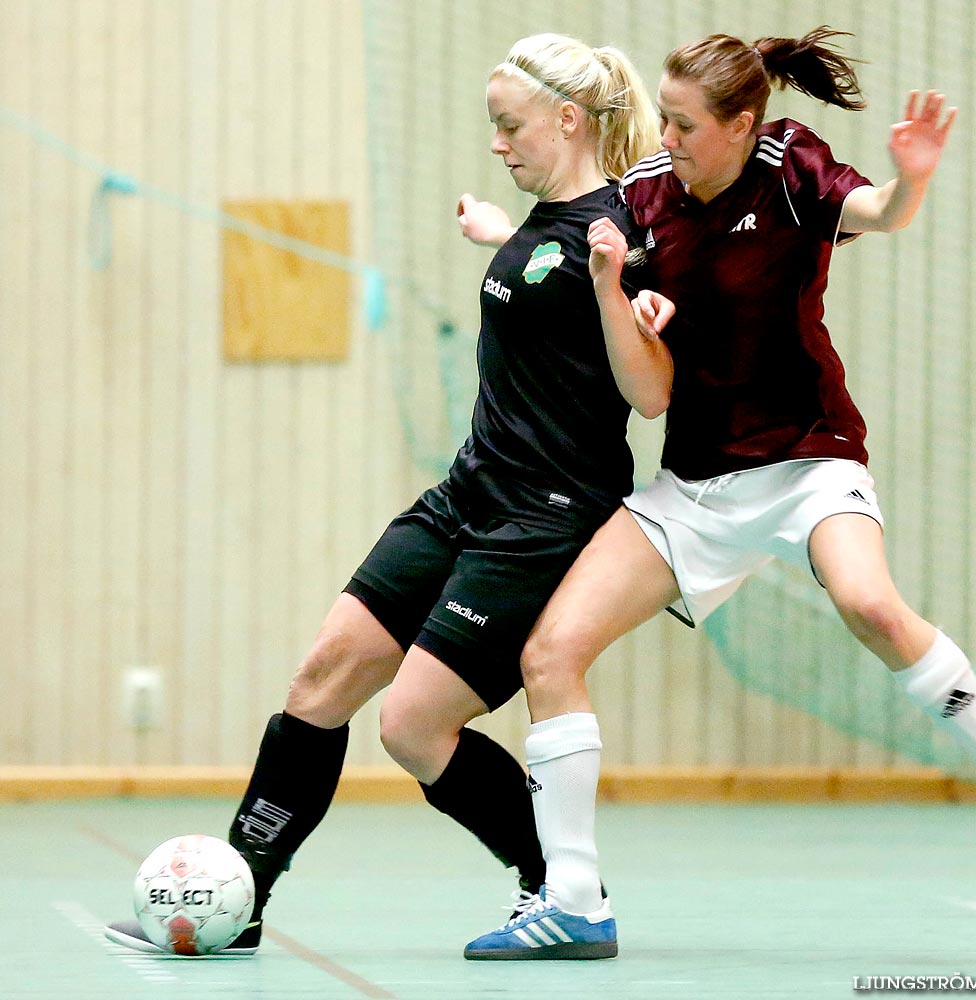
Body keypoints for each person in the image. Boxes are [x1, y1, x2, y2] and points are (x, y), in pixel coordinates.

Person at [463, 28, 976, 960]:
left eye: (681, 122)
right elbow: (597, 268)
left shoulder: (787, 167)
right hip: (695, 486)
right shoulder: (644, 198)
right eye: (661, 118)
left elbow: (879, 211)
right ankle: (575, 898)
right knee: (550, 653)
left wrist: (911, 181)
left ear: (739, 122)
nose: (664, 137)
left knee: (870, 604)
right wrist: (523, 247)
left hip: (806, 458)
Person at [104, 32, 659, 959]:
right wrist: (499, 234)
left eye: (508, 124)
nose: (496, 141)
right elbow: (541, 278)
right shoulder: (544, 223)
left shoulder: (619, 240)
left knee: (410, 725)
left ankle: (559, 885)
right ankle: (239, 904)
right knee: (323, 676)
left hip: (543, 517)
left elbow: (636, 345)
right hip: (468, 492)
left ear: (569, 120)